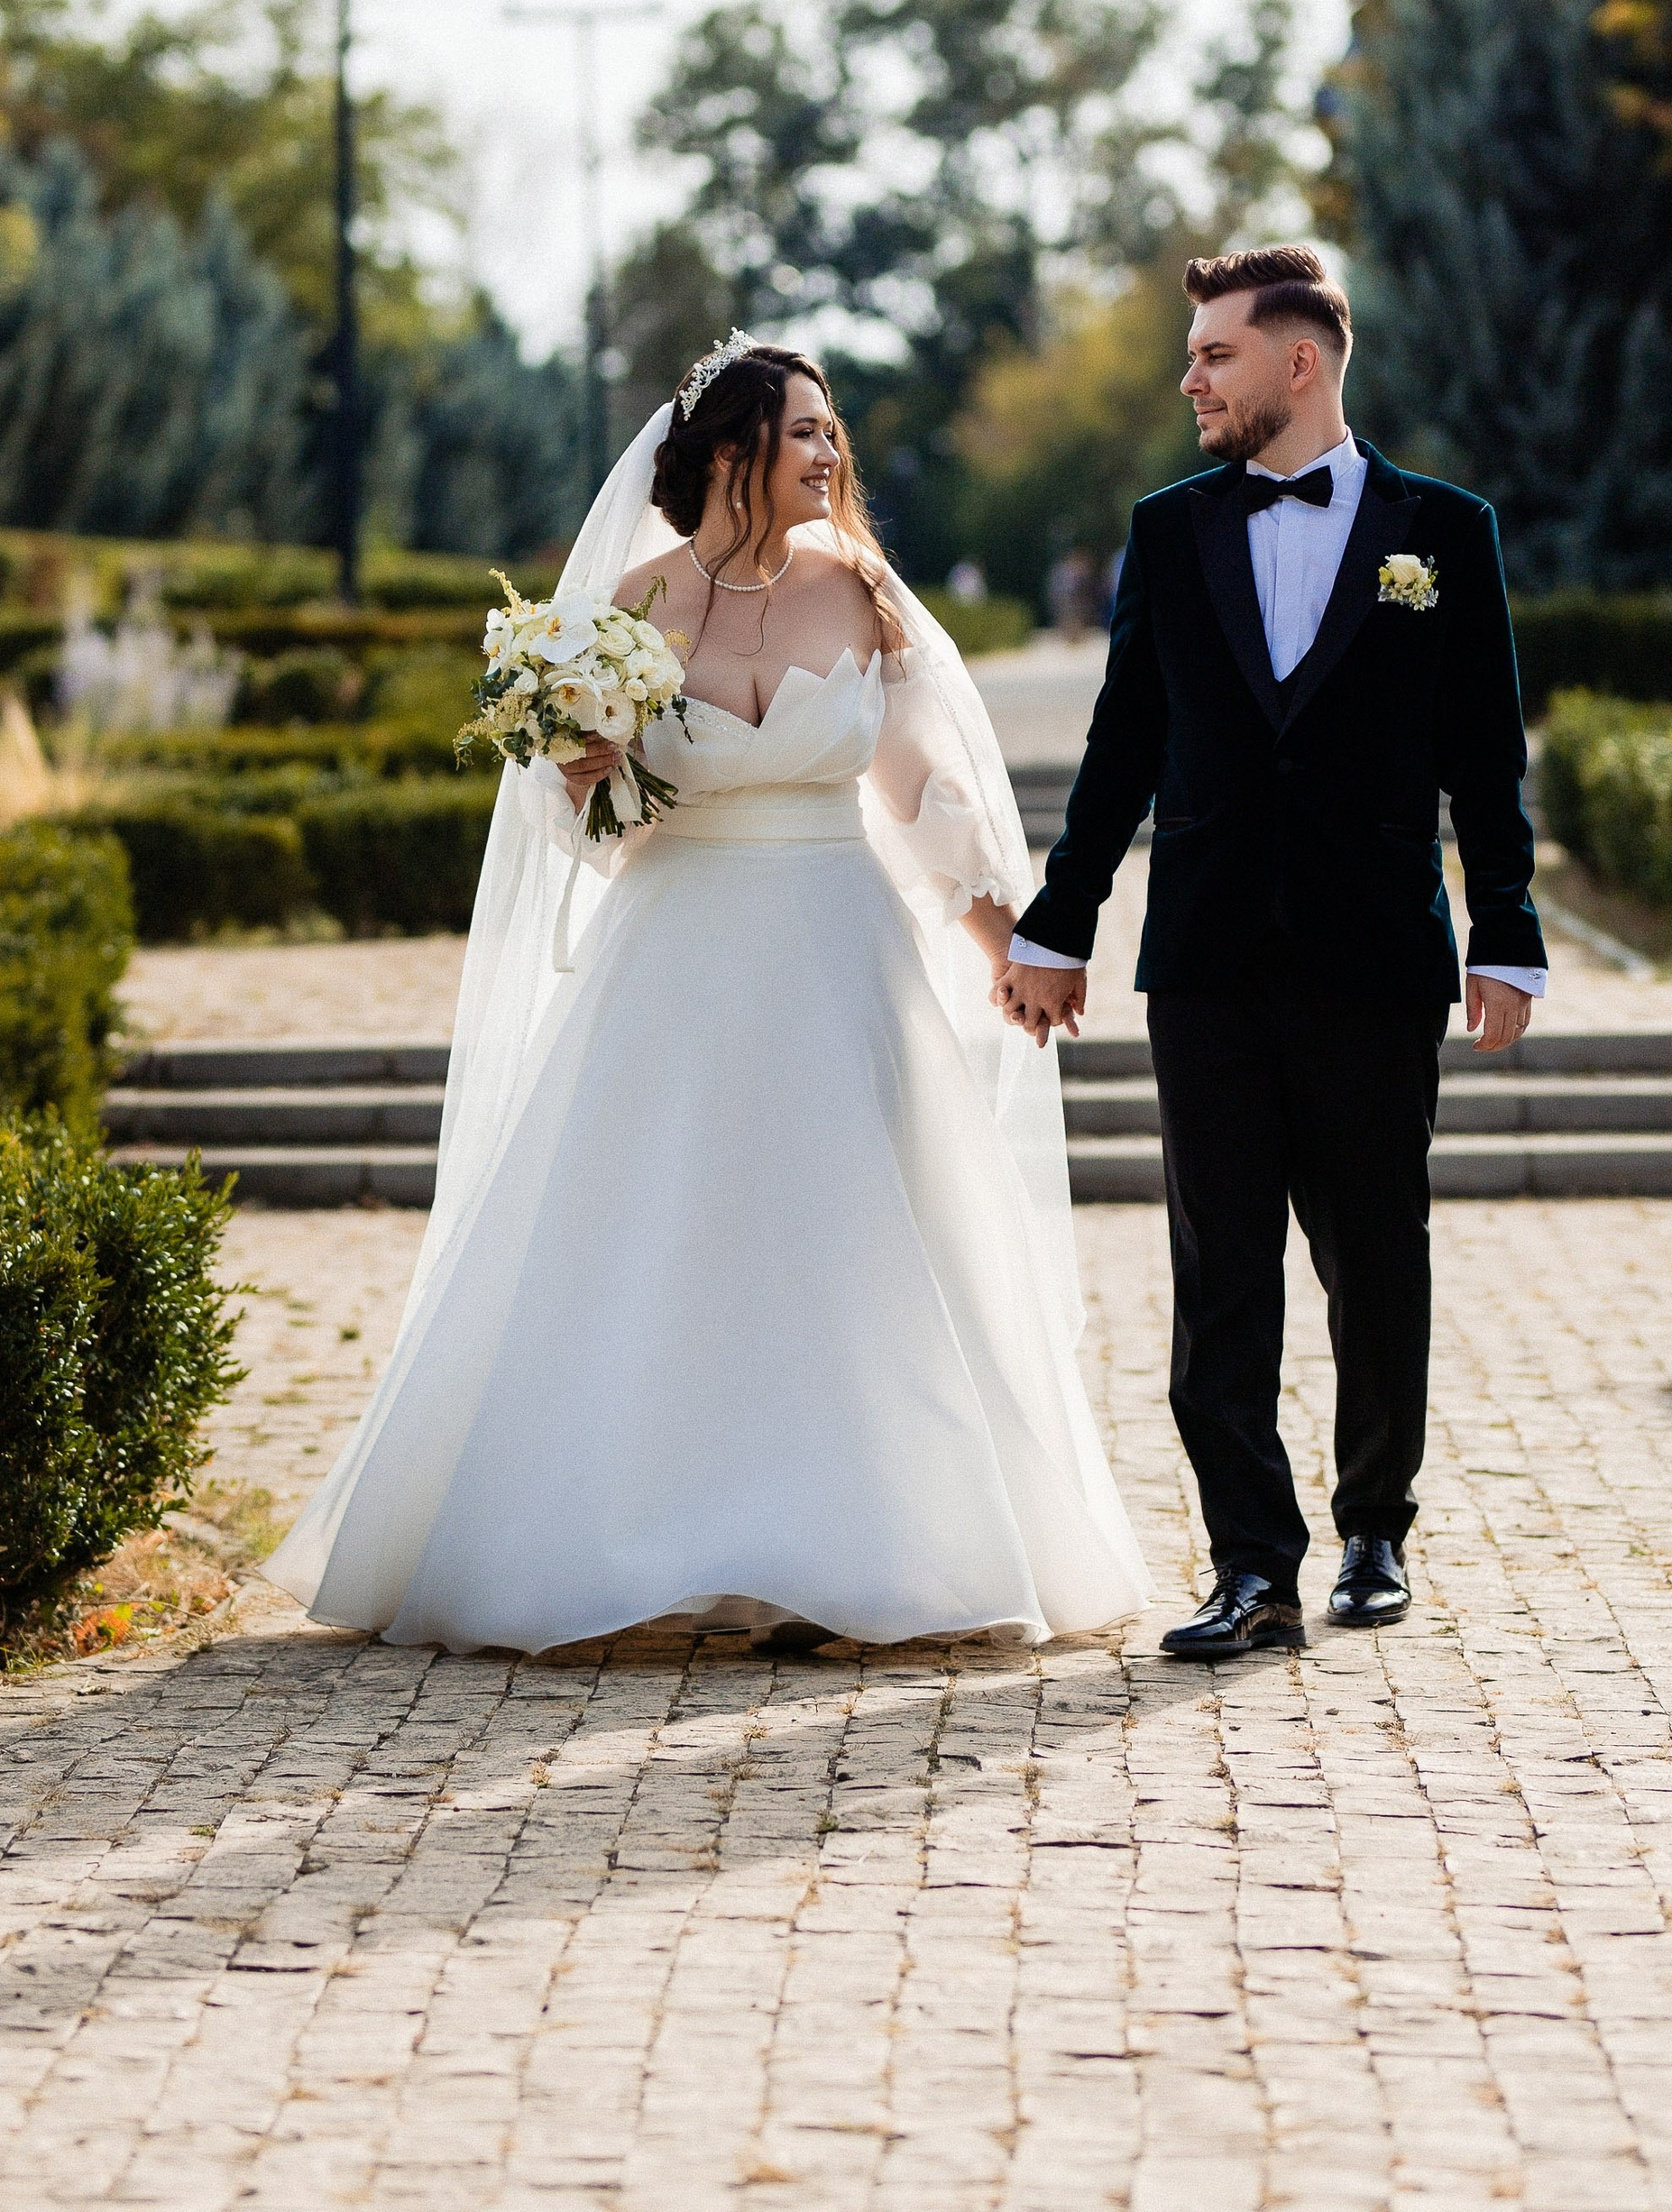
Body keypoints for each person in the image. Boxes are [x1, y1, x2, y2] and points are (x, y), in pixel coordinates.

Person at [270, 335, 1148, 1657]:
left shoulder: (861, 593)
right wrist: (583, 770)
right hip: (676, 956)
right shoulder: (629, 605)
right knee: (662, 1238)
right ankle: (634, 1546)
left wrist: (1004, 944)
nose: (829, 448)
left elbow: (919, 794)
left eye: (829, 427)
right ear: (731, 451)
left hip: (841, 952)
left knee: (857, 1243)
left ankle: (872, 1559)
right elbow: (604, 825)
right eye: (803, 428)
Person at [996, 244, 1545, 1662]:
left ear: (1299, 362)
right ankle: (1253, 1564)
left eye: (1214, 354)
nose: (1190, 377)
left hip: (1377, 956)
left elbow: (1484, 755)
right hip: (1211, 957)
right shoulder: (1169, 531)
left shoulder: (1449, 531)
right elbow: (1124, 742)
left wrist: (1510, 927)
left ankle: (1375, 1527)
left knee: (1376, 1248)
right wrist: (1060, 918)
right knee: (1217, 1269)